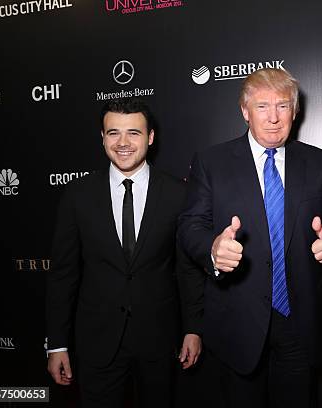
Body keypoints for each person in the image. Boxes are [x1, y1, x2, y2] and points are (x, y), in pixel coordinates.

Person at [178, 68, 322, 407]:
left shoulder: (317, 161)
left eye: (283, 106)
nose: (273, 117)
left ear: (295, 111)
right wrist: (212, 249)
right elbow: (190, 226)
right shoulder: (211, 162)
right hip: (237, 323)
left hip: (301, 323)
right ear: (245, 111)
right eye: (262, 106)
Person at [45, 97, 204, 407]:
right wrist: (57, 345)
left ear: (150, 137)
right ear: (102, 138)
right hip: (97, 342)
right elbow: (63, 274)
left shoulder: (177, 193)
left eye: (133, 132)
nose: (123, 143)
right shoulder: (78, 195)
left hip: (159, 340)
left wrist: (193, 328)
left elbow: (187, 269)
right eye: (113, 132)